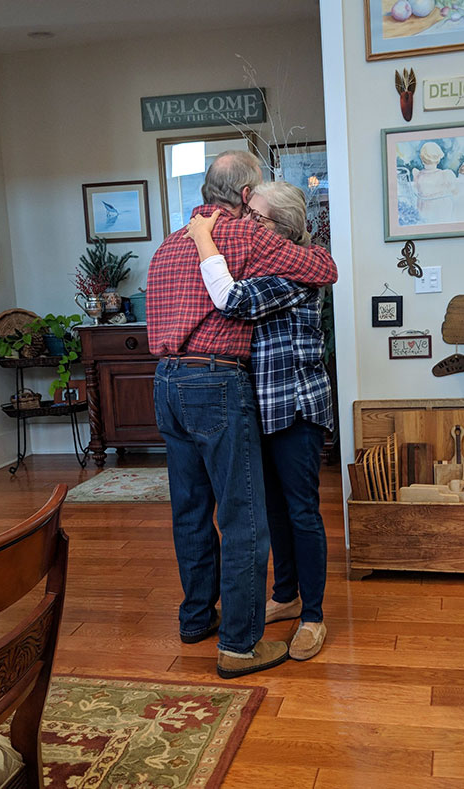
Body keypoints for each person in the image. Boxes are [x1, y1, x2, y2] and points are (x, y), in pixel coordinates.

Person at [146, 150, 337, 679]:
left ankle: (195, 620)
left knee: (190, 511)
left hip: (164, 383)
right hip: (216, 382)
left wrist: (204, 237)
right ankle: (237, 645)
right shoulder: (248, 237)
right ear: (247, 193)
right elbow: (324, 265)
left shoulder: (168, 244)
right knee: (244, 517)